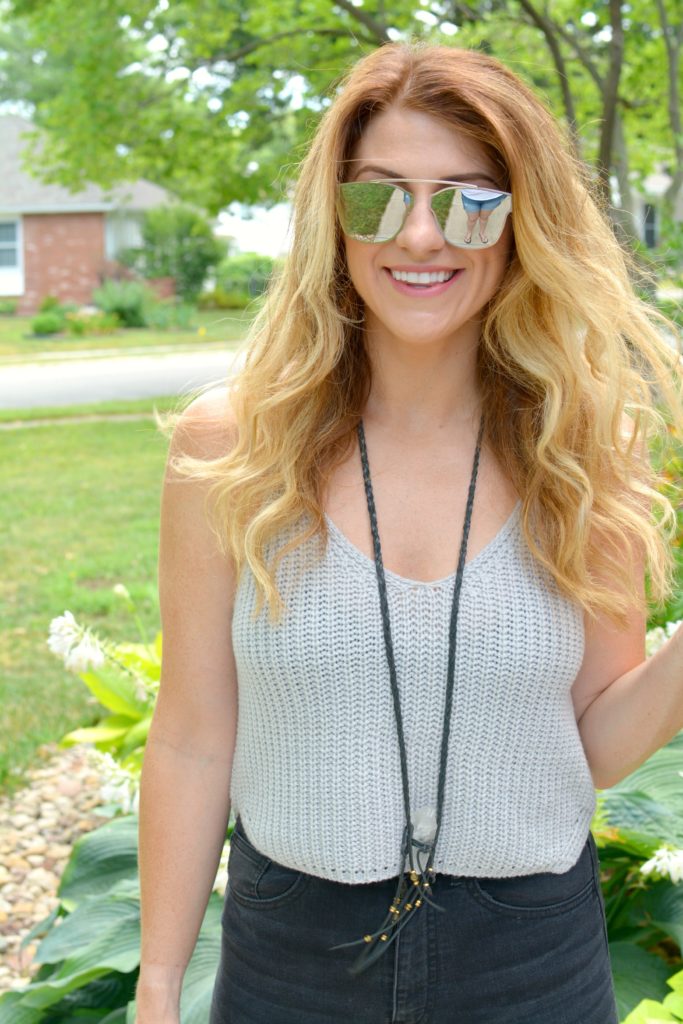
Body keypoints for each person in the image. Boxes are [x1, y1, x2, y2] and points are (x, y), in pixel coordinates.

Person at [135, 41, 683, 1024]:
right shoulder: (231, 446)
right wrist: (159, 983)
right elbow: (188, 736)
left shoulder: (587, 449)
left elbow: (592, 740)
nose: (421, 235)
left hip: (532, 972)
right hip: (286, 967)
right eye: (377, 198)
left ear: (521, 226)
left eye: (470, 200)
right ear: (331, 220)